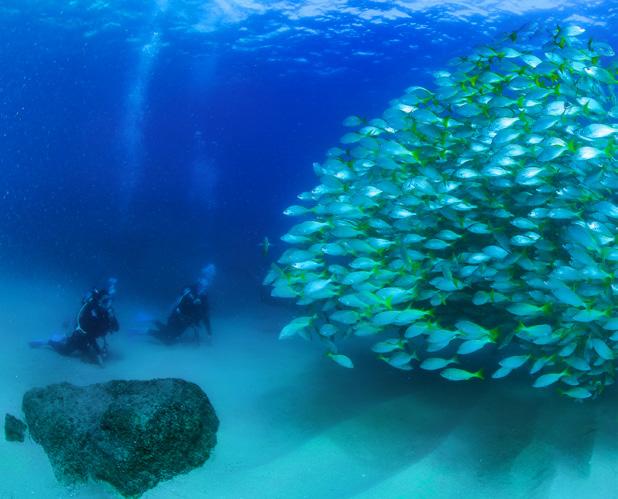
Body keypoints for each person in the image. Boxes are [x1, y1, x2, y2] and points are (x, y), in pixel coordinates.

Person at [29, 279, 119, 366]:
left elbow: (116, 328)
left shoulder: (107, 314)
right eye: (105, 302)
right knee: (65, 351)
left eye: (109, 301)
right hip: (81, 335)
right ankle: (48, 342)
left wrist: (112, 318)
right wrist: (98, 353)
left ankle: (64, 337)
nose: (107, 304)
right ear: (99, 302)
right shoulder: (92, 314)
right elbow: (90, 336)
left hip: (89, 338)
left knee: (86, 351)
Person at [148, 265, 214, 344]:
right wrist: (192, 302)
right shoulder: (189, 291)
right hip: (177, 316)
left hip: (186, 322)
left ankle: (152, 321)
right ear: (197, 283)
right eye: (200, 286)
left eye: (204, 287)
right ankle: (147, 329)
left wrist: (209, 334)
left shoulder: (204, 299)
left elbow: (205, 316)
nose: (202, 289)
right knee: (168, 338)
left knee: (169, 335)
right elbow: (180, 302)